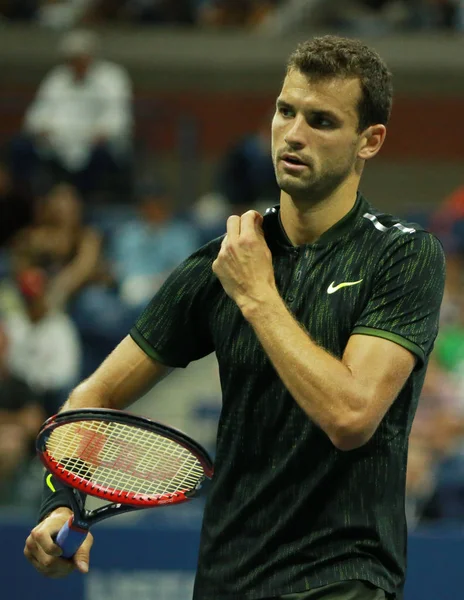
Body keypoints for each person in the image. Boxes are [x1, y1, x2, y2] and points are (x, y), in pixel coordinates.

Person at [24, 36, 446, 600]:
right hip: (225, 581)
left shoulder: (403, 255)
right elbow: (90, 398)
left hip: (343, 580)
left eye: (321, 121)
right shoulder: (218, 263)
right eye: (285, 110)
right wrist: (61, 504)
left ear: (369, 141)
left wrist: (256, 295)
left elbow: (351, 416)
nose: (293, 134)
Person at [10, 29, 133, 196]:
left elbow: (118, 118)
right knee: (20, 147)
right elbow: (36, 115)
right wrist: (42, 129)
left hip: (94, 144)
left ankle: (86, 202)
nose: (76, 64)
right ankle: (23, 200)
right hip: (57, 144)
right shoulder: (57, 78)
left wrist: (100, 134)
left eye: (80, 58)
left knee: (99, 156)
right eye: (72, 59)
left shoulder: (111, 77)